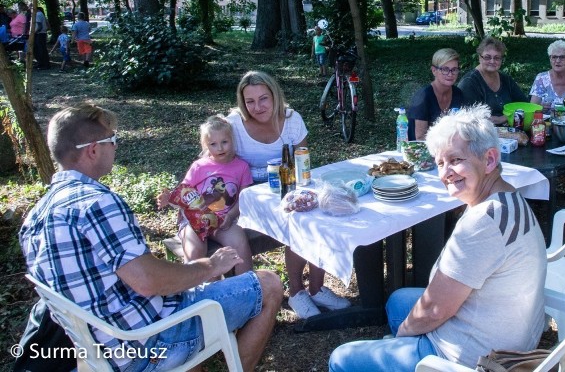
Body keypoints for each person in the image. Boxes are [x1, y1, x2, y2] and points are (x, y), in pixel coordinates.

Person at [18, 103, 283, 371]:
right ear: (93, 149)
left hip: (95, 352)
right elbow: (148, 281)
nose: (116, 146)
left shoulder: (34, 217)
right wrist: (210, 266)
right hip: (146, 345)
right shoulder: (97, 204)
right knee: (269, 283)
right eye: (113, 139)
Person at [328, 105, 546, 372]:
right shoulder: (510, 198)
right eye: (440, 163)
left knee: (340, 359)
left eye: (455, 160)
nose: (445, 174)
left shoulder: (482, 223)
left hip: (474, 358)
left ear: (489, 159)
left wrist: (401, 338)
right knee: (398, 300)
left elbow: (434, 311)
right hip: (509, 331)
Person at [227, 70, 351, 319]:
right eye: (249, 101)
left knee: (319, 216)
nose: (257, 107)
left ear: (275, 96)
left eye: (263, 99)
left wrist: (301, 192)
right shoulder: (234, 124)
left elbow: (302, 161)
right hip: (247, 194)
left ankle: (317, 288)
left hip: (288, 184)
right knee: (296, 223)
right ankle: (296, 292)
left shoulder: (292, 120)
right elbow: (215, 163)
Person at [157, 115, 254, 275]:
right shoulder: (199, 167)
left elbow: (243, 198)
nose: (220, 148)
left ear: (232, 140)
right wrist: (169, 200)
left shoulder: (241, 167)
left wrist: (230, 216)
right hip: (194, 221)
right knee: (195, 250)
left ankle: (248, 287)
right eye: (213, 144)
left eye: (224, 142)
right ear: (206, 146)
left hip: (224, 220)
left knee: (240, 243)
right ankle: (198, 294)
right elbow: (183, 194)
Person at [458, 36, 526, 125]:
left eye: (497, 58)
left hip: (508, 132)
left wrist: (504, 118)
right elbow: (469, 117)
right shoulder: (469, 82)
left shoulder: (506, 79)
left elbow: (524, 104)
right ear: (479, 58)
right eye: (487, 57)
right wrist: (504, 118)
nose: (492, 61)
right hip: (481, 134)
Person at [407, 48, 465, 140]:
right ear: (434, 71)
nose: (450, 74)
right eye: (445, 69)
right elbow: (420, 137)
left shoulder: (458, 94)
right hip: (419, 150)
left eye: (454, 69)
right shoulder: (423, 96)